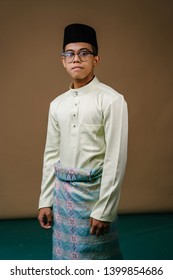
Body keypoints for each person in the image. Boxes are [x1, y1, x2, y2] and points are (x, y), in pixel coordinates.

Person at [38, 23, 128, 260]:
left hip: (94, 198)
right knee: (65, 262)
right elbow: (51, 156)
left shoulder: (111, 100)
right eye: (70, 53)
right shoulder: (57, 104)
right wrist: (45, 201)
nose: (76, 58)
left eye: (84, 53)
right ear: (63, 60)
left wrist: (104, 210)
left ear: (96, 59)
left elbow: (115, 159)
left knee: (99, 260)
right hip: (63, 198)